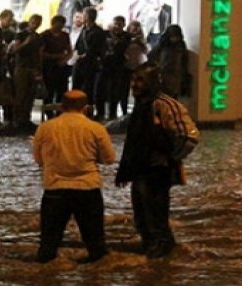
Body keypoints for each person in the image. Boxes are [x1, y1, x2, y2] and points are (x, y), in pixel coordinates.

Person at [115, 62, 199, 258]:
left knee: (156, 215)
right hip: (141, 170)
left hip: (157, 171)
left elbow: (189, 136)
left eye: (140, 80)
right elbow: (133, 141)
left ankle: (161, 255)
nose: (134, 85)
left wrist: (170, 158)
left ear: (152, 81)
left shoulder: (165, 105)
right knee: (142, 217)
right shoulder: (142, 105)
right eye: (133, 80)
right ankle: (152, 250)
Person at [33, 89, 116, 264]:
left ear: (61, 107)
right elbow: (109, 159)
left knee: (47, 248)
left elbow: (38, 159)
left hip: (55, 189)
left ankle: (45, 284)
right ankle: (95, 285)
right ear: (86, 108)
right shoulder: (96, 129)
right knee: (96, 248)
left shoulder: (45, 128)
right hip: (88, 189)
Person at [11, 14, 44, 130]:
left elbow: (39, 53)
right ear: (29, 22)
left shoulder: (39, 37)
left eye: (38, 23)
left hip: (33, 68)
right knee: (20, 94)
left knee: (30, 95)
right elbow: (15, 50)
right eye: (34, 22)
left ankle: (26, 118)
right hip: (22, 67)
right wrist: (26, 42)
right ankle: (17, 119)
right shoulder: (20, 34)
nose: (36, 25)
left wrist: (39, 69)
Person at [73, 7, 106, 118]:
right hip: (80, 63)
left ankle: (88, 112)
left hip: (90, 64)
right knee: (76, 86)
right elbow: (78, 45)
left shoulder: (98, 32)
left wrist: (85, 55)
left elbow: (95, 49)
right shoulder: (84, 29)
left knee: (88, 89)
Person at [40, 15, 72, 120]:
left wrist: (65, 59)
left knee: (62, 91)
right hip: (49, 66)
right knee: (49, 91)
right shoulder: (45, 35)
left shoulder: (64, 36)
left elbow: (69, 51)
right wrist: (56, 56)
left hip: (61, 67)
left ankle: (60, 112)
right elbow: (41, 53)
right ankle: (49, 114)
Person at [148, 24, 189, 99]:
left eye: (176, 36)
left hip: (176, 78)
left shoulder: (181, 45)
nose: (175, 38)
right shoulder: (162, 44)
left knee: (173, 100)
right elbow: (151, 56)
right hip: (163, 76)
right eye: (173, 36)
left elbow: (183, 61)